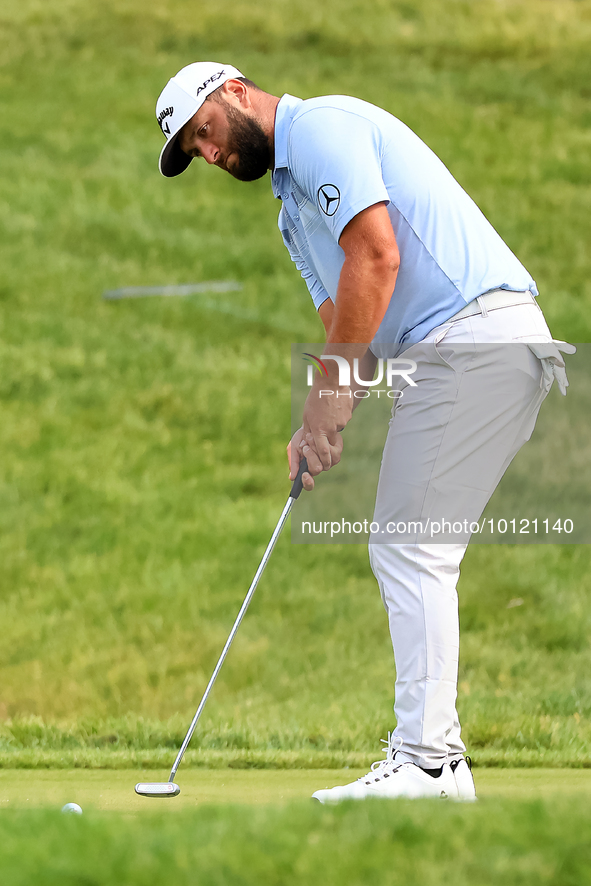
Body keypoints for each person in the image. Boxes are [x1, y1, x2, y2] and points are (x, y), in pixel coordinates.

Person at [154, 62, 573, 802]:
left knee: (409, 543)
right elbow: (356, 337)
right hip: (446, 352)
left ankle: (427, 761)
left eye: (205, 132)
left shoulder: (323, 128)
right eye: (194, 152)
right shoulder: (290, 213)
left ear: (235, 93)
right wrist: (320, 419)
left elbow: (378, 255)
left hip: (477, 335)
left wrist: (332, 392)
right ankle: (433, 759)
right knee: (409, 544)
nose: (209, 154)